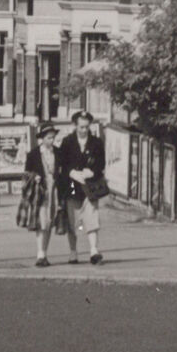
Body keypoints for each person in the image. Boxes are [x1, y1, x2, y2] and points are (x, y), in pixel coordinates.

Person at [60, 113, 108, 265]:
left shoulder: (96, 142)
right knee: (73, 220)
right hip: (72, 186)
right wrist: (71, 172)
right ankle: (73, 252)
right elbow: (62, 162)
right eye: (81, 127)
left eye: (87, 127)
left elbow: (101, 162)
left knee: (91, 216)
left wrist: (92, 171)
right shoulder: (67, 142)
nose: (84, 130)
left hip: (90, 185)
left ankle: (94, 250)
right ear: (75, 126)